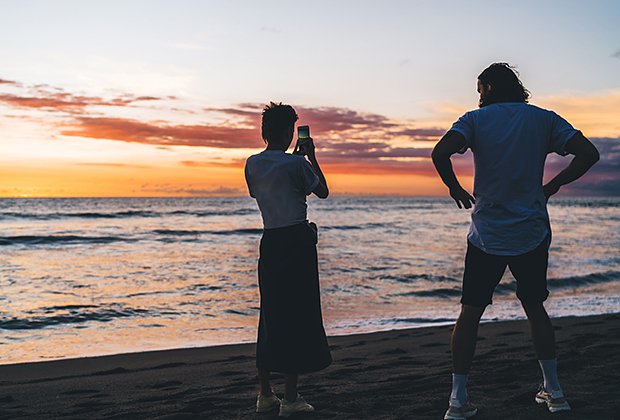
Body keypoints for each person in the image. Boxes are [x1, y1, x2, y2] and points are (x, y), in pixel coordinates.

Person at [431, 63, 599, 420]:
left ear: (489, 87)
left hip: (486, 235)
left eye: (479, 90)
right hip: (531, 231)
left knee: (470, 313)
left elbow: (440, 152)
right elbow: (589, 154)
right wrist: (552, 186)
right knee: (535, 307)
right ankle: (555, 392)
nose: (478, 97)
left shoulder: (474, 121)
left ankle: (458, 400)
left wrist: (453, 186)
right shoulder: (543, 119)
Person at [244, 101, 332, 417]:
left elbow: (268, 190)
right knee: (296, 314)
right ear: (288, 132)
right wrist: (311, 156)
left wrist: (295, 161)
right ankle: (292, 398)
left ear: (264, 132)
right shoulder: (298, 165)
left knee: (271, 313)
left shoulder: (252, 164)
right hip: (296, 240)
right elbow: (321, 191)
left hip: (270, 240)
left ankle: (265, 395)